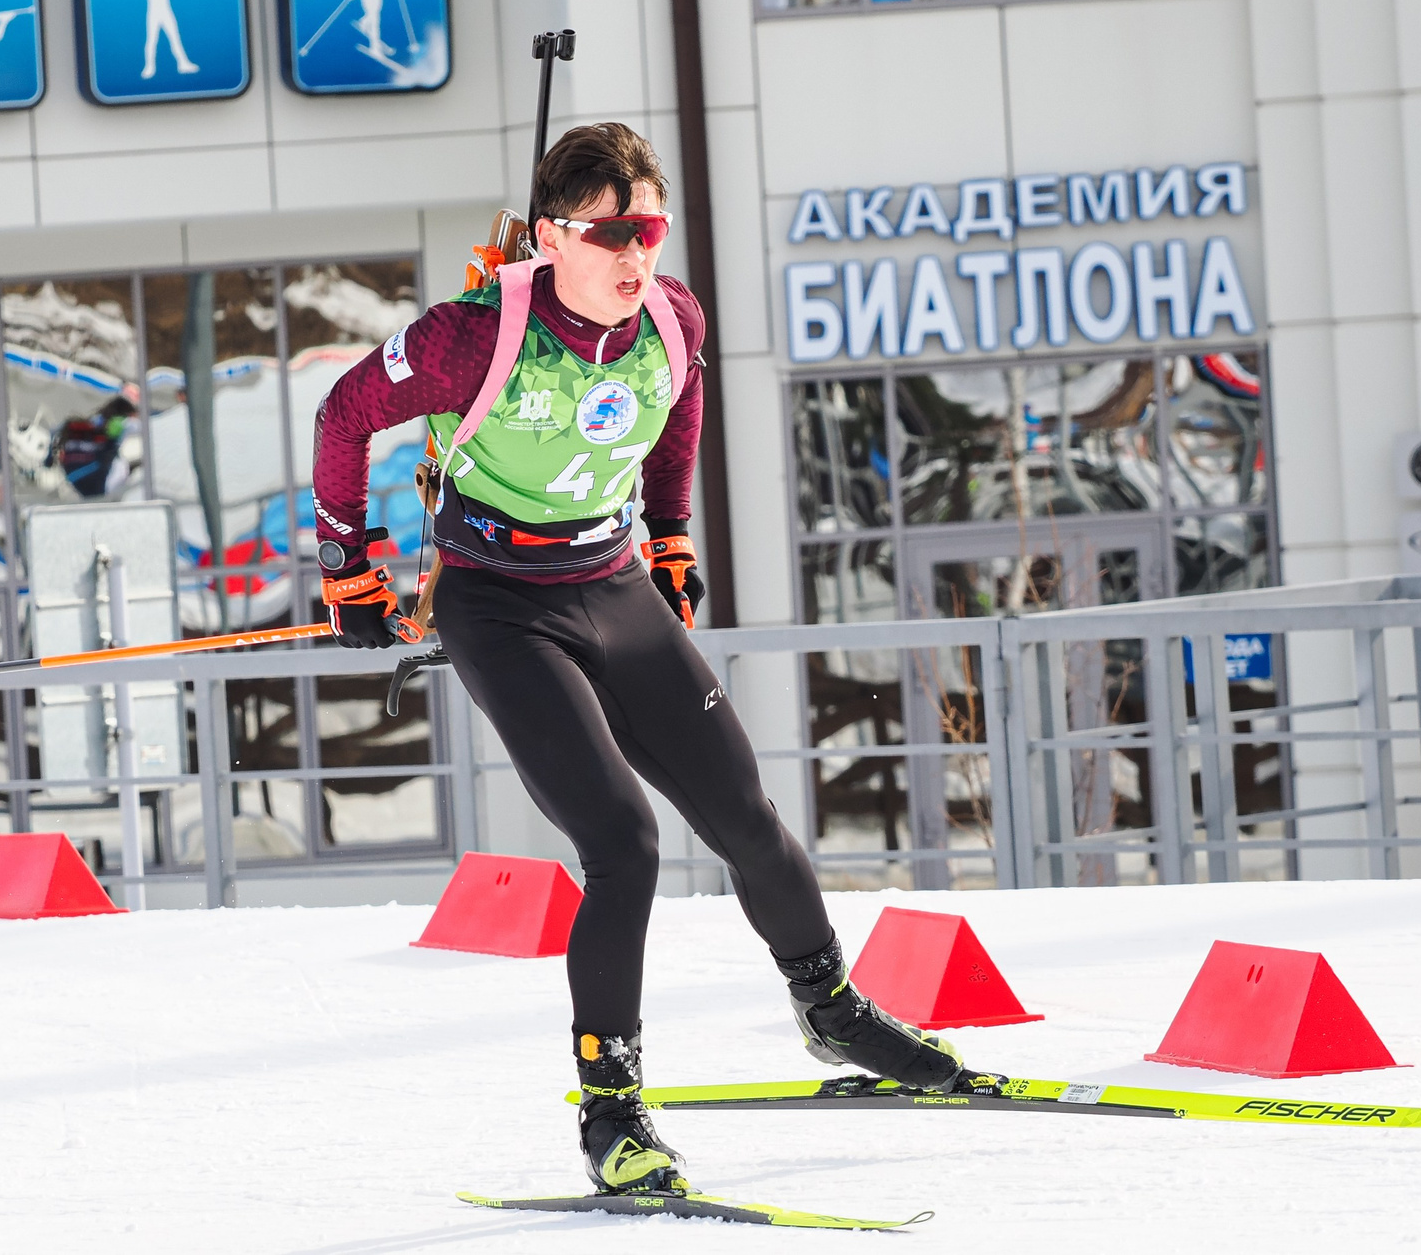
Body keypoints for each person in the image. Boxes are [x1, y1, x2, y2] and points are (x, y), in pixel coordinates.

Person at [309, 122, 987, 1197]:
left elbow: (676, 421)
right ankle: (613, 1115)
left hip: (613, 585)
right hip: (500, 604)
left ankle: (833, 1014)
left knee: (745, 820)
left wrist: (669, 538)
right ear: (549, 239)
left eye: (649, 230)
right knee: (623, 841)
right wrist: (348, 567)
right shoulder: (471, 338)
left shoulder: (669, 318)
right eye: (609, 233)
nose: (635, 256)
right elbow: (344, 415)